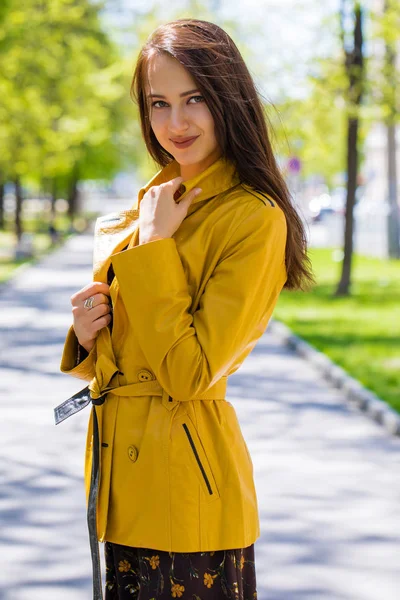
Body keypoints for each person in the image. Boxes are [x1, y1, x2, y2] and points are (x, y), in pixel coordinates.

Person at [56, 17, 314, 600]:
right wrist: (88, 335)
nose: (176, 122)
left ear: (229, 101)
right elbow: (132, 354)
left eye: (195, 99)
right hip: (118, 488)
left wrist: (154, 251)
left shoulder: (252, 218)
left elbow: (190, 373)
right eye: (159, 103)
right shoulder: (153, 204)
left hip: (187, 496)